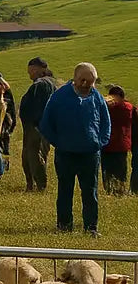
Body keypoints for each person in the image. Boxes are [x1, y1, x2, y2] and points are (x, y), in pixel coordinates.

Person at [41, 62, 111, 236]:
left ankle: (91, 227)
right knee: (65, 191)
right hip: (66, 154)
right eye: (83, 80)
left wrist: (99, 142)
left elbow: (105, 122)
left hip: (90, 154)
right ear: (75, 78)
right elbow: (46, 123)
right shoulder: (60, 97)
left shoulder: (96, 97)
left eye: (90, 81)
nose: (86, 84)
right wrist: (58, 142)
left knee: (90, 192)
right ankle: (64, 225)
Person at [19, 58, 58, 191]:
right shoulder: (48, 83)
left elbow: (39, 107)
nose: (29, 74)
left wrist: (36, 123)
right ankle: (32, 185)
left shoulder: (41, 84)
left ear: (37, 69)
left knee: (34, 155)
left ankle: (39, 185)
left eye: (31, 71)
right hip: (38, 126)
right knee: (31, 155)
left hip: (37, 127)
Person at [103, 85, 133, 197]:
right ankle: (120, 191)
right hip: (121, 145)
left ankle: (109, 191)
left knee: (107, 170)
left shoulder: (105, 107)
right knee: (120, 171)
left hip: (106, 144)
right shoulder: (128, 107)